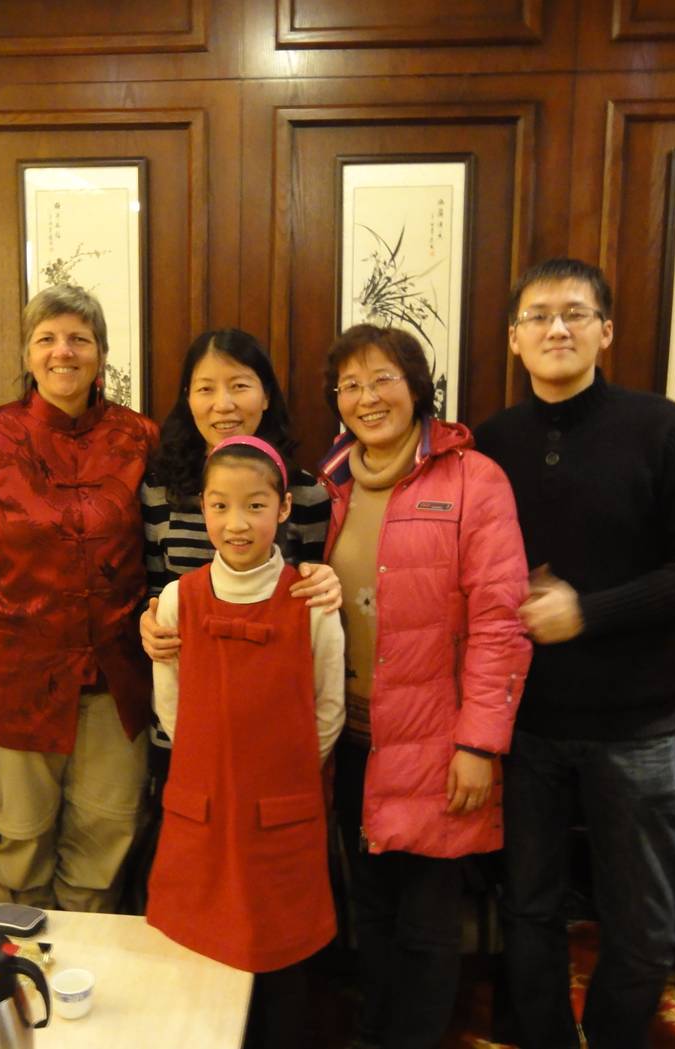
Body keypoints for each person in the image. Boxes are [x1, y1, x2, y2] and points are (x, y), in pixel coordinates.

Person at [474, 258, 675, 1049]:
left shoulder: (662, 429)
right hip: (524, 723)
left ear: (605, 331)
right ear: (514, 339)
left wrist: (588, 611)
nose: (557, 328)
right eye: (539, 315)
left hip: (636, 724)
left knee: (643, 920)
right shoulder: (489, 443)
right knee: (528, 904)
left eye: (575, 313)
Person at [319, 324, 531, 1049]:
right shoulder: (329, 485)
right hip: (353, 738)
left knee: (428, 923)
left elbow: (501, 624)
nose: (366, 396)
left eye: (381, 378)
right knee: (368, 910)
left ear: (416, 386)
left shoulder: (475, 479)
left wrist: (478, 741)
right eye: (349, 384)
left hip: (437, 743)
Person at [0, 284, 157, 912]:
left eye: (79, 339)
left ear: (101, 355)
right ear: (27, 355)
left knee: (105, 843)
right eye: (47, 339)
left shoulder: (140, 439)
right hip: (12, 688)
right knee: (20, 847)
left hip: (117, 682)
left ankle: (88, 988)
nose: (64, 352)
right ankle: (23, 990)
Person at [146, 435, 345, 1049]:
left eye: (256, 506)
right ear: (202, 509)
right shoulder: (180, 597)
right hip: (199, 808)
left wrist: (282, 771)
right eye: (221, 506)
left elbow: (329, 707)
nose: (238, 524)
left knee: (280, 962)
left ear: (284, 509)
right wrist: (209, 766)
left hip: (282, 813)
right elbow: (170, 701)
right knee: (201, 953)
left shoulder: (309, 600)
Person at [140, 327, 339, 659]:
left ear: (266, 396)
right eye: (206, 388)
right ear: (188, 398)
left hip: (274, 673)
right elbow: (155, 591)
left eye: (240, 386)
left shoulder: (305, 494)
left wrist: (327, 583)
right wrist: (148, 622)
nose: (223, 404)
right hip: (190, 673)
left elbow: (312, 600)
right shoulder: (160, 489)